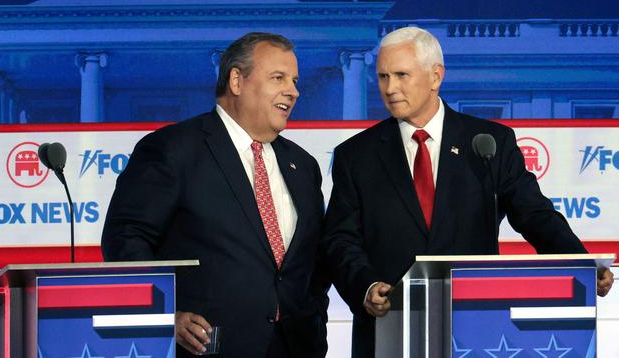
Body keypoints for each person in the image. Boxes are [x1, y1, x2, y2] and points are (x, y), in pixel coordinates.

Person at [321, 26, 614, 358]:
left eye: (402, 75)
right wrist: (367, 286)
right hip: (389, 330)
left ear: (435, 76)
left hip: (475, 331)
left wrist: (581, 263)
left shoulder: (488, 144)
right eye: (383, 76)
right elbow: (340, 239)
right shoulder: (356, 155)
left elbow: (534, 214)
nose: (390, 88)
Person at [101, 32, 329, 358]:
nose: (293, 91)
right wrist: (164, 315)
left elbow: (314, 261)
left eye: (294, 80)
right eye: (278, 78)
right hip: (207, 347)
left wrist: (315, 316)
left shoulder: (303, 165)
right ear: (237, 80)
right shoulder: (173, 149)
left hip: (295, 346)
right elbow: (125, 237)